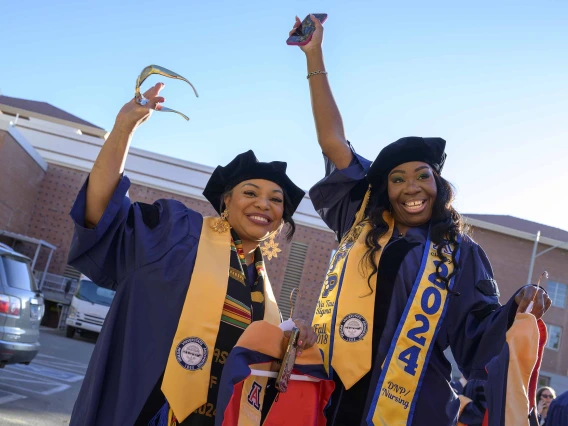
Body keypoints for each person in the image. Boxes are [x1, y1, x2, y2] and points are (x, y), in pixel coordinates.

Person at [290, 15, 552, 426]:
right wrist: (314, 54)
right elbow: (332, 142)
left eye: (421, 176)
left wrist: (517, 306)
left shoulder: (460, 253)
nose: (411, 187)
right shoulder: (359, 224)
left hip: (413, 404)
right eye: (397, 179)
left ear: (438, 182)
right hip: (334, 395)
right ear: (385, 190)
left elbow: (478, 333)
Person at [67, 83, 317, 426]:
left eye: (276, 200)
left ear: (279, 222)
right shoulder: (177, 230)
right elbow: (100, 215)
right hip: (146, 410)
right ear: (226, 201)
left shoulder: (263, 291)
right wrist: (123, 128)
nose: (264, 204)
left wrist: (293, 339)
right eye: (251, 192)